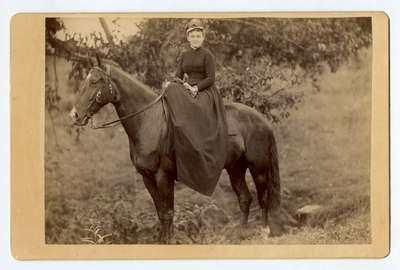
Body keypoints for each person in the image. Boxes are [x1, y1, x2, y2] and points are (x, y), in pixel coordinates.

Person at [163, 19, 228, 196]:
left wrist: (196, 88)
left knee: (193, 104)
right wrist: (173, 83)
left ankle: (197, 143)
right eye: (192, 36)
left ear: (203, 37)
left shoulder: (207, 55)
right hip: (187, 88)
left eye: (198, 36)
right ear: (188, 37)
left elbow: (211, 78)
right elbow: (178, 75)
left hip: (204, 91)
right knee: (171, 89)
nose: (195, 39)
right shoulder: (184, 54)